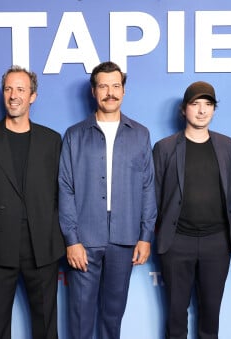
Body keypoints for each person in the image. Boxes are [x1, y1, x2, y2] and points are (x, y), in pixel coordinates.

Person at [58, 61, 157, 339]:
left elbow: (148, 187)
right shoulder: (74, 135)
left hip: (124, 237)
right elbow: (65, 188)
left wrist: (145, 235)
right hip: (84, 239)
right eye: (103, 86)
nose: (110, 92)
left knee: (113, 318)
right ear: (93, 91)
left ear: (124, 91)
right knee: (80, 319)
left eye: (116, 86)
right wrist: (72, 239)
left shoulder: (140, 134)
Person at [0, 66, 64, 339]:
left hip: (43, 249)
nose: (13, 95)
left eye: (20, 89)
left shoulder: (52, 140)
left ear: (32, 96)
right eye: (8, 89)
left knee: (46, 328)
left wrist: (60, 242)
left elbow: (62, 196)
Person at [153, 81, 231, 339]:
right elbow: (155, 196)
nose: (202, 111)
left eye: (208, 104)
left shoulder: (227, 146)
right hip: (177, 242)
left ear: (213, 109)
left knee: (211, 314)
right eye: (195, 104)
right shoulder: (165, 147)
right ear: (183, 109)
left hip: (217, 242)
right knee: (176, 314)